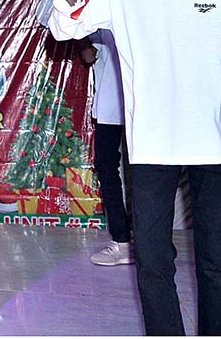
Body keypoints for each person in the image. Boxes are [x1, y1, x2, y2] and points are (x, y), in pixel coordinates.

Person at [47, 0, 221, 335]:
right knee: (152, 263)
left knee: (220, 264)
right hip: (151, 142)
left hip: (220, 140)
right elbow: (65, 27)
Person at [77, 31, 132, 266]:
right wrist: (83, 41)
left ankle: (141, 242)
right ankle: (123, 241)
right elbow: (88, 53)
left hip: (139, 102)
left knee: (144, 173)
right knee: (109, 169)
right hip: (112, 103)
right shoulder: (100, 5)